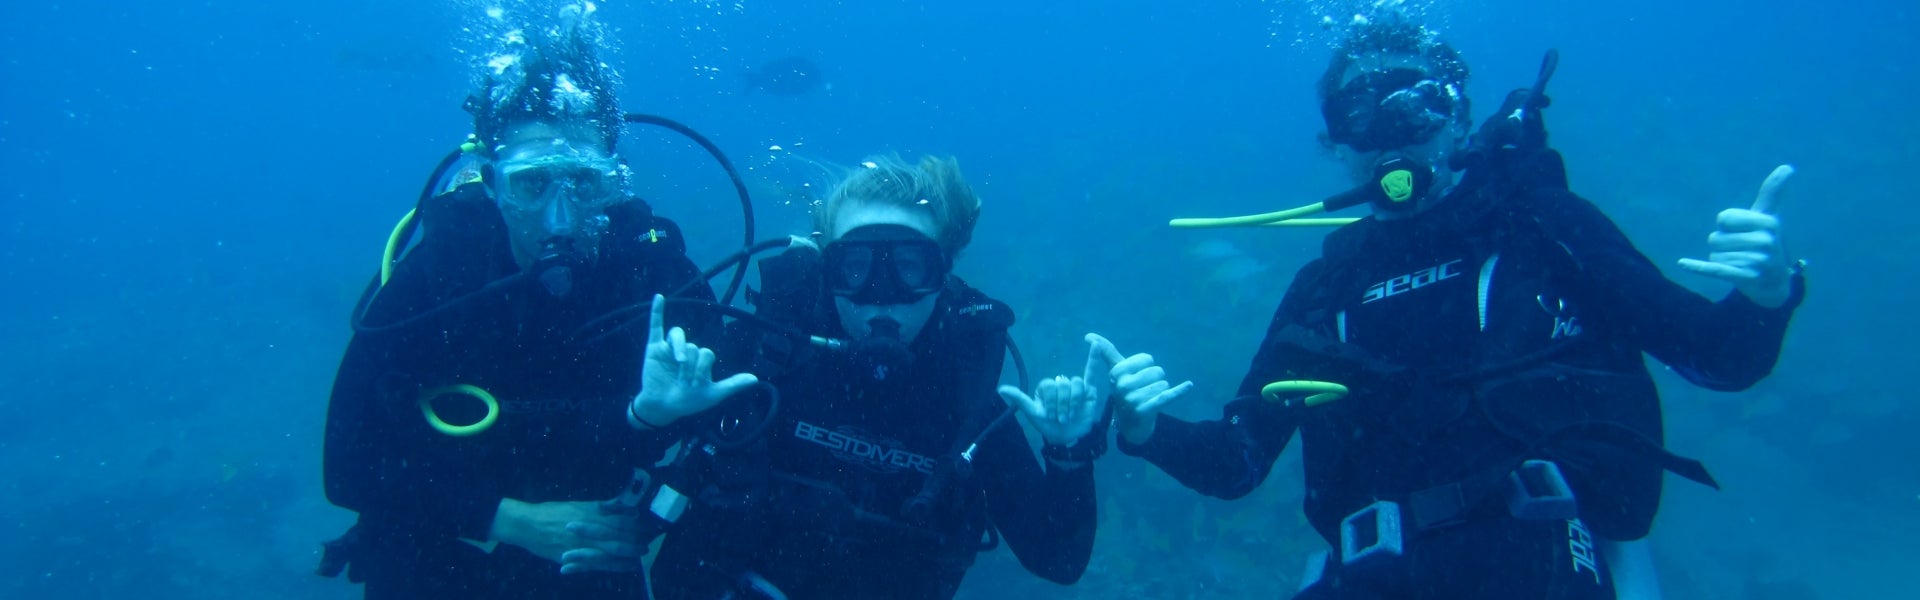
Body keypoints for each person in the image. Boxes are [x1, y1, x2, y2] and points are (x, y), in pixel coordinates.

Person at [1116, 15, 1805, 599]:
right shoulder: (1327, 285)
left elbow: (1718, 357)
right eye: (1361, 117)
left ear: (1458, 117)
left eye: (1414, 109)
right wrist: (1146, 429)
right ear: (1334, 144)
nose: (1392, 137)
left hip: (1546, 562)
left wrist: (1765, 296)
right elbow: (1237, 463)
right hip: (1377, 573)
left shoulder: (1540, 226)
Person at [317, 5, 726, 598]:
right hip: (436, 551)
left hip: (587, 558)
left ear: (615, 181)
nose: (559, 215)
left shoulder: (653, 274)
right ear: (489, 183)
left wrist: (650, 503)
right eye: (531, 184)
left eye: (583, 183)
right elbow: (348, 465)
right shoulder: (437, 277)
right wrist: (504, 518)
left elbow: (728, 434)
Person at [613, 155, 1117, 599]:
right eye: (854, 267)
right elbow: (604, 485)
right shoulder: (767, 351)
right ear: (824, 268)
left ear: (944, 272)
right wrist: (650, 416)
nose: (881, 294)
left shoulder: (966, 389)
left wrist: (1070, 456)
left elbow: (1057, 560)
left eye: (910, 266)